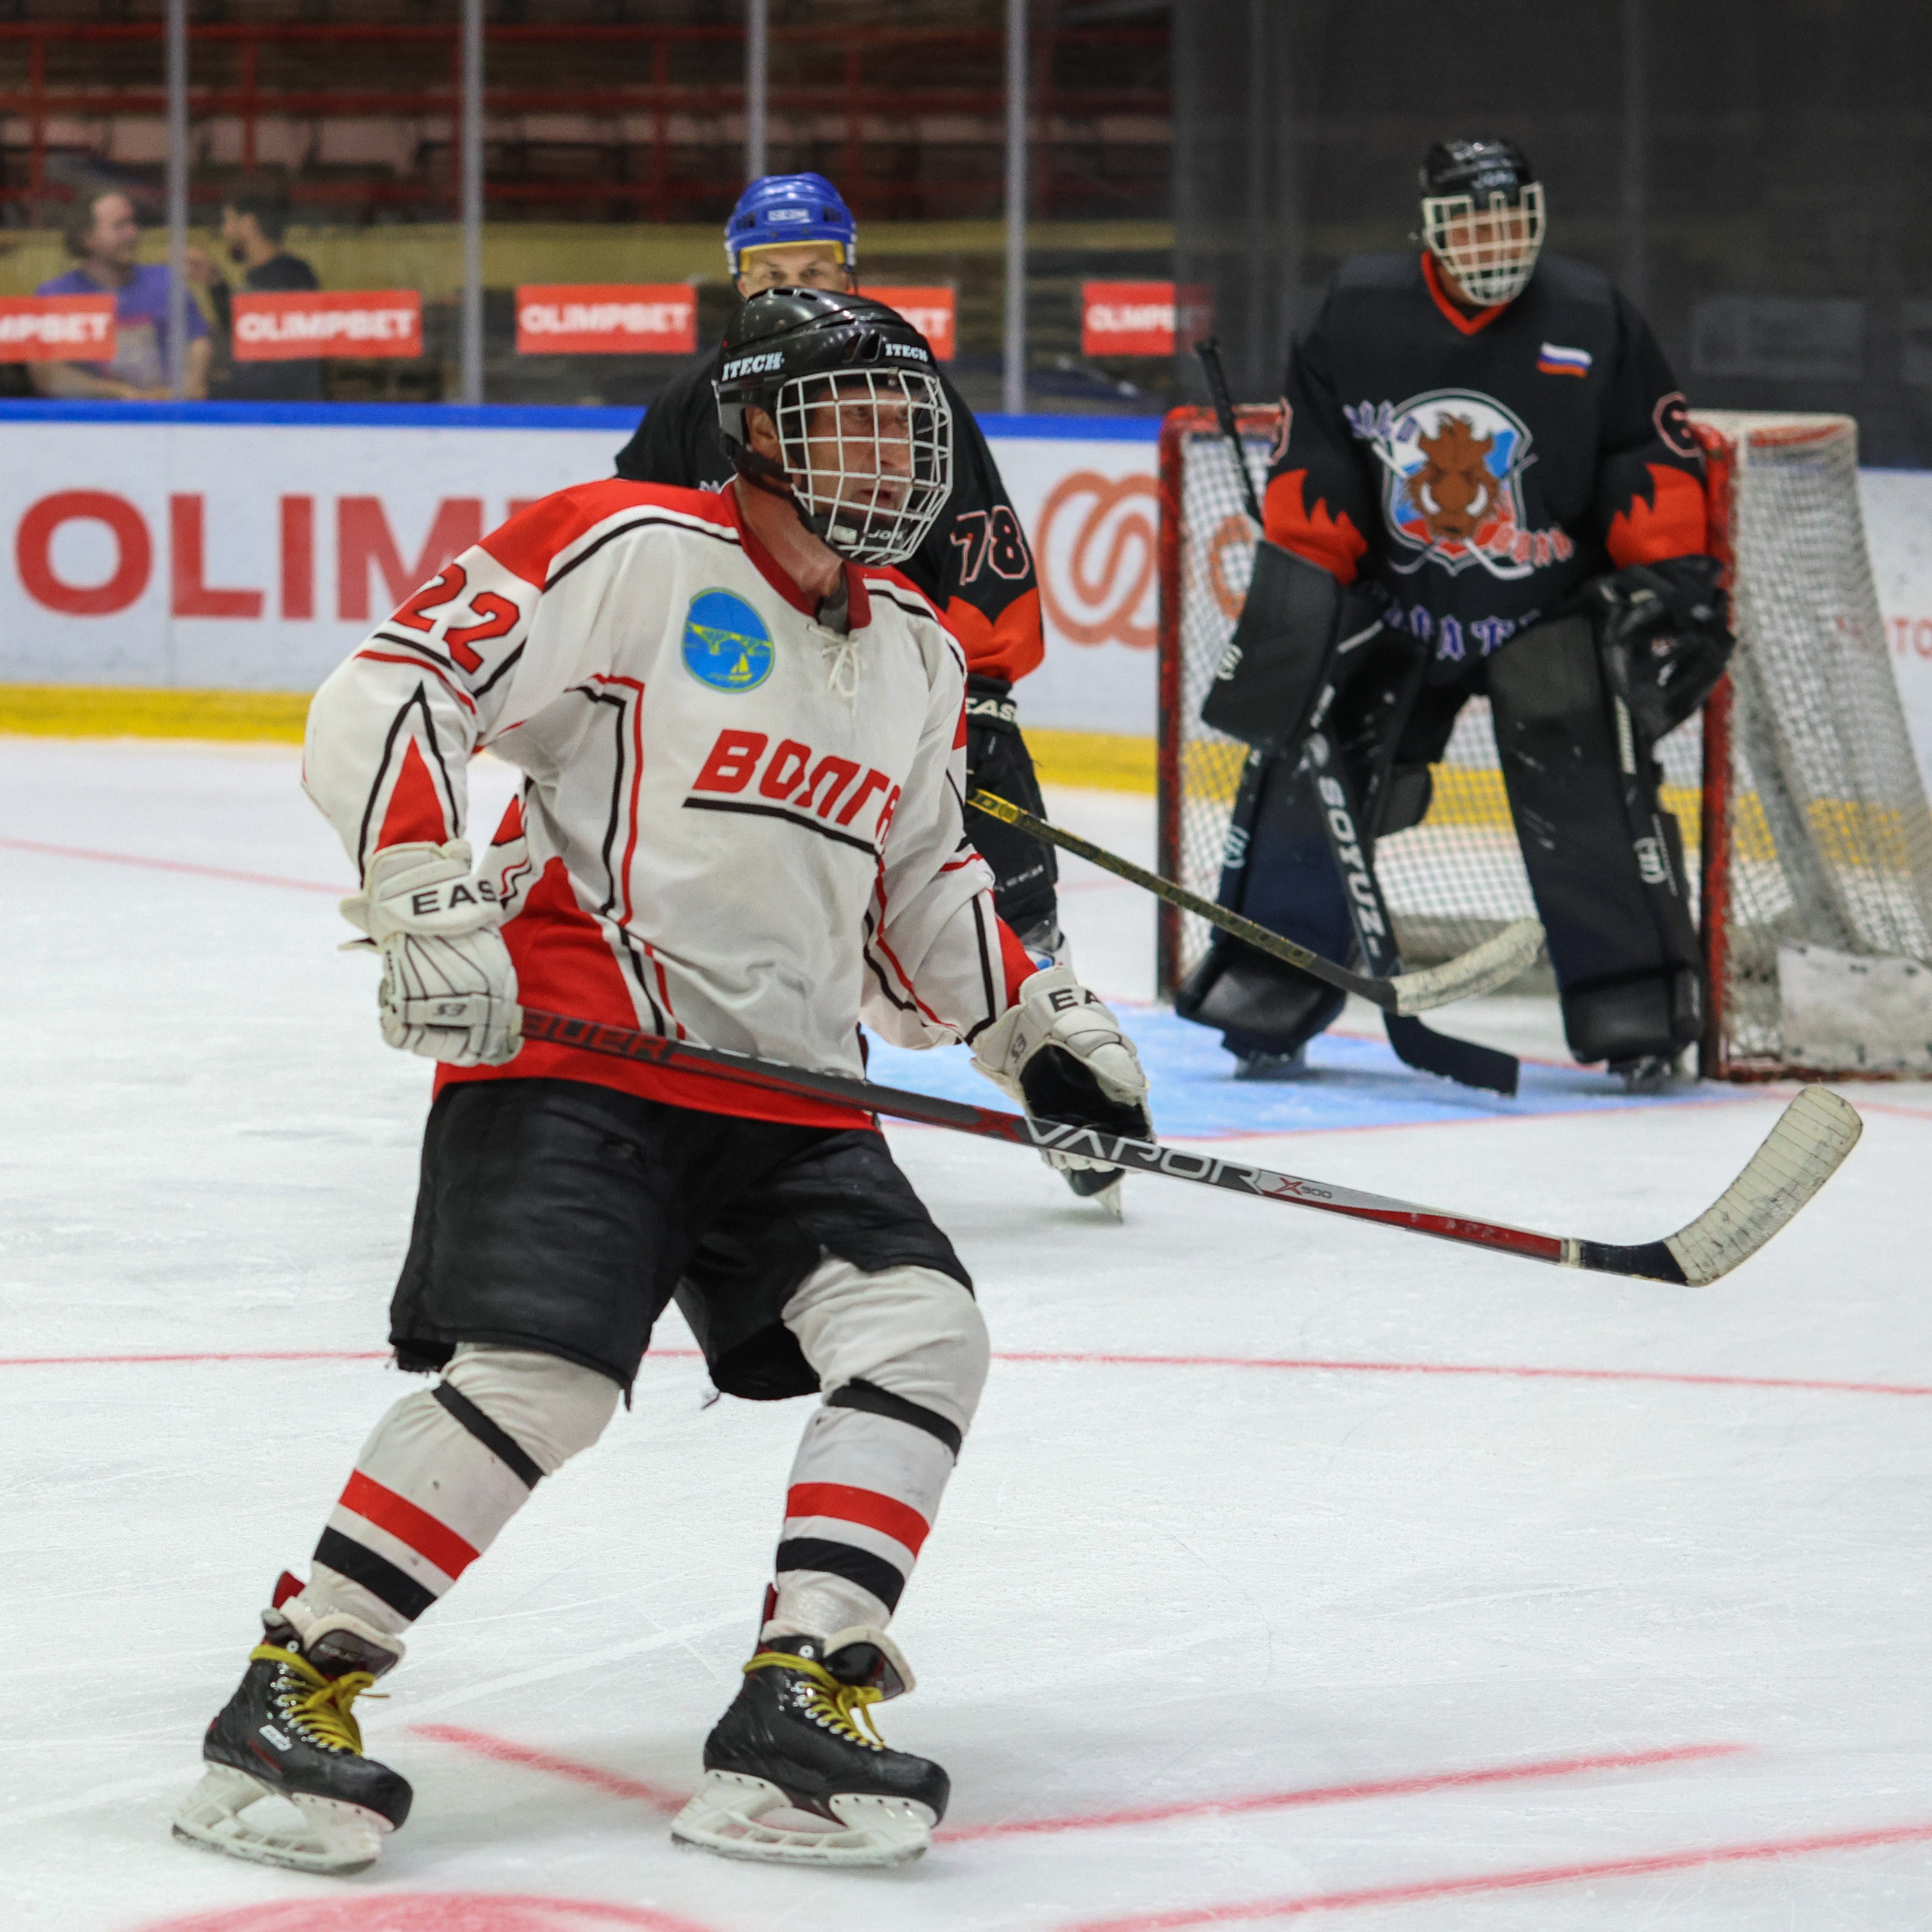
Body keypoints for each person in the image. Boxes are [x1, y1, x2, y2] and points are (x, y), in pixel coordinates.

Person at [171, 289, 1152, 1878]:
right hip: (583, 1046)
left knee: (920, 1326)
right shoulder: (630, 547)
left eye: (906, 425)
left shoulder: (909, 646)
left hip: (785, 1087)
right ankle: (296, 1681)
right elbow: (397, 682)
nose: (889, 455)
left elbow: (917, 891)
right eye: (846, 417)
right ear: (753, 429)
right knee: (545, 1376)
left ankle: (797, 1694)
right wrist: (418, 872)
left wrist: (1030, 1024)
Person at [1176, 137, 1732, 1093]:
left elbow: (1644, 450)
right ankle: (1265, 994)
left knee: (1591, 799)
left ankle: (1637, 1007)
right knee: (1306, 784)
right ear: (1428, 227)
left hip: (1545, 614)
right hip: (1392, 613)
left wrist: (1671, 574)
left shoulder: (1592, 315)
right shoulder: (1360, 313)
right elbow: (1321, 456)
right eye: (1470, 220)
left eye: (1510, 217)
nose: (1493, 240)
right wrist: (1302, 586)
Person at [614, 174, 1064, 964]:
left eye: (814, 271)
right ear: (737, 279)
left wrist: (982, 691)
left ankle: (1033, 1011)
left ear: (849, 274)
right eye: (770, 272)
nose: (792, 288)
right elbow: (628, 551)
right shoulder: (688, 403)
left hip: (881, 690)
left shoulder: (900, 390)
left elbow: (975, 537)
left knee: (1000, 939)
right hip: (741, 694)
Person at [33, 186, 210, 400]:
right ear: (87, 238)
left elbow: (199, 341)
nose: (132, 233)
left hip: (167, 421)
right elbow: (46, 374)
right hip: (90, 426)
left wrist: (187, 389)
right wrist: (120, 394)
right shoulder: (56, 296)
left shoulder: (166, 281)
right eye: (119, 226)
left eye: (132, 223)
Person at [185, 180, 323, 401]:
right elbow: (243, 327)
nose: (224, 231)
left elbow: (272, 363)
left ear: (248, 224)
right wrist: (213, 279)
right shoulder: (269, 275)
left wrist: (213, 392)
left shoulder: (290, 276)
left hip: (285, 413)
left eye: (228, 221)